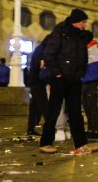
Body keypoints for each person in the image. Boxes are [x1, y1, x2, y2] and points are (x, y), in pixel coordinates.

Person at [39, 9, 93, 155]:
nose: (85, 25)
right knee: (53, 111)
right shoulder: (60, 32)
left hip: (75, 78)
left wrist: (80, 74)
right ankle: (46, 142)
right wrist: (57, 73)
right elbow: (49, 55)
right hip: (60, 79)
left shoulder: (81, 35)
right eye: (83, 22)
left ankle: (81, 143)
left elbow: (82, 53)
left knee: (76, 112)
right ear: (76, 22)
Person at [81, 39, 98, 139]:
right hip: (88, 78)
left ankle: (94, 129)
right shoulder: (91, 47)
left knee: (90, 104)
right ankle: (91, 129)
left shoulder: (91, 47)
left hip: (89, 79)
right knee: (88, 104)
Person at [25, 38, 49, 136]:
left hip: (35, 81)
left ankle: (30, 129)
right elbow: (42, 67)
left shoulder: (39, 49)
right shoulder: (42, 51)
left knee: (34, 106)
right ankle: (52, 128)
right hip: (37, 82)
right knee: (44, 106)